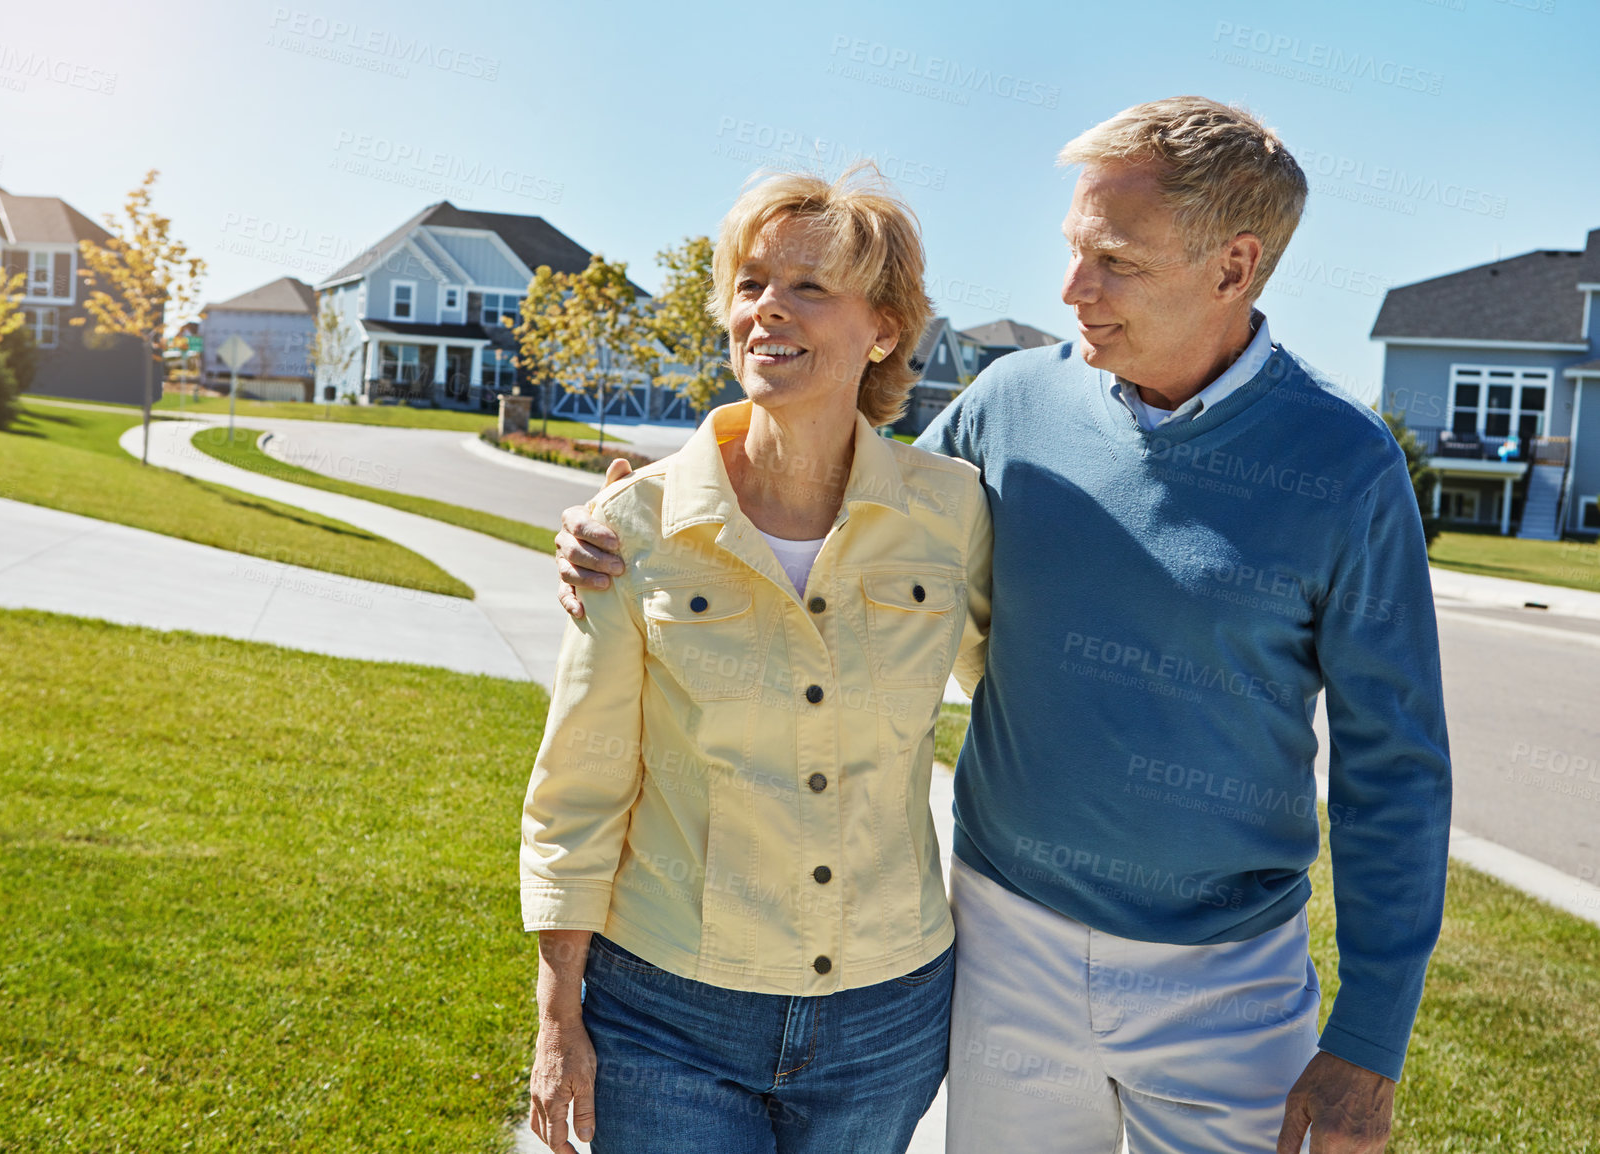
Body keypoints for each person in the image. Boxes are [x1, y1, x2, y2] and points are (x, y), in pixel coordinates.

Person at [553, 97, 1452, 1154]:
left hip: (1227, 978)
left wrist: (1371, 1035)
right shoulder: (1007, 405)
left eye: (1113, 260)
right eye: (1074, 250)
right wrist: (631, 521)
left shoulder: (1345, 466)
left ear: (1232, 267)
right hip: (1001, 945)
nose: (1072, 289)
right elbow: (848, 509)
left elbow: (1395, 765)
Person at [521, 165, 993, 1154]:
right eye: (749, 283)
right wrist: (557, 1014)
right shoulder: (630, 526)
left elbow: (1023, 692)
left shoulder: (950, 512)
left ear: (884, 328)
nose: (767, 309)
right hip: (665, 1011)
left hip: (886, 1018)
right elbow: (579, 787)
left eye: (809, 286)